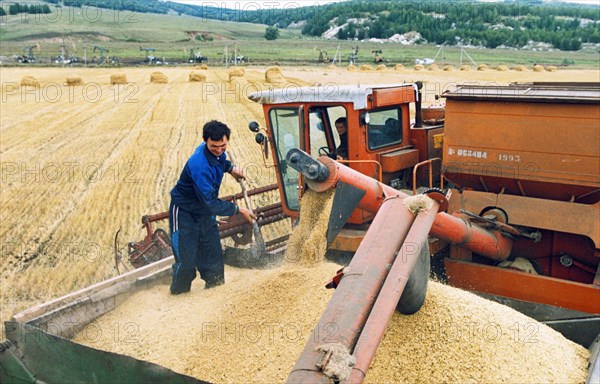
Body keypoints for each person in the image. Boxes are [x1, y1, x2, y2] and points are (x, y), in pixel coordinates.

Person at [169, 120, 255, 294]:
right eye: (214, 146)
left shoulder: (218, 152)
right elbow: (211, 202)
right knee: (186, 264)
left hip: (205, 212)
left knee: (213, 259)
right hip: (185, 211)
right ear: (205, 141)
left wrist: (230, 168)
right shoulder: (199, 166)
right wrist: (239, 210)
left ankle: (214, 296)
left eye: (223, 146)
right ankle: (177, 297)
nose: (219, 150)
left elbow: (221, 160)